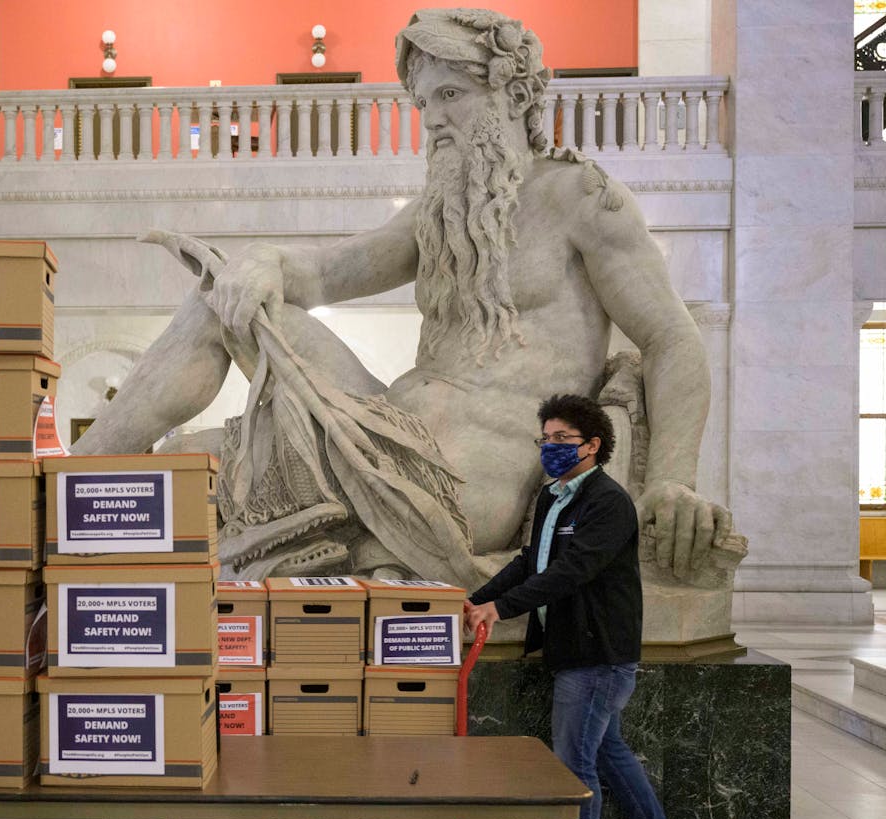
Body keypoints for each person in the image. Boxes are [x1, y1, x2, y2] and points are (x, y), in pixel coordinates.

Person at [71, 8, 731, 585]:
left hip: (462, 484)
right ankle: (66, 488)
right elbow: (326, 274)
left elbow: (672, 339)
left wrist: (673, 478)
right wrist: (265, 261)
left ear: (512, 95)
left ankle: (80, 498)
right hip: (385, 426)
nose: (433, 120)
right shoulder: (436, 214)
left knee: (195, 470)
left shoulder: (581, 201)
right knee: (220, 303)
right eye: (423, 104)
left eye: (450, 94)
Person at [464, 393, 700, 819]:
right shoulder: (553, 496)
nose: (550, 447)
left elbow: (571, 572)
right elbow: (533, 560)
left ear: (592, 445)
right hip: (573, 651)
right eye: (545, 439)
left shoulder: (608, 503)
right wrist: (477, 600)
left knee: (573, 767)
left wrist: (500, 611)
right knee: (608, 752)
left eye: (562, 439)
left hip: (598, 656)